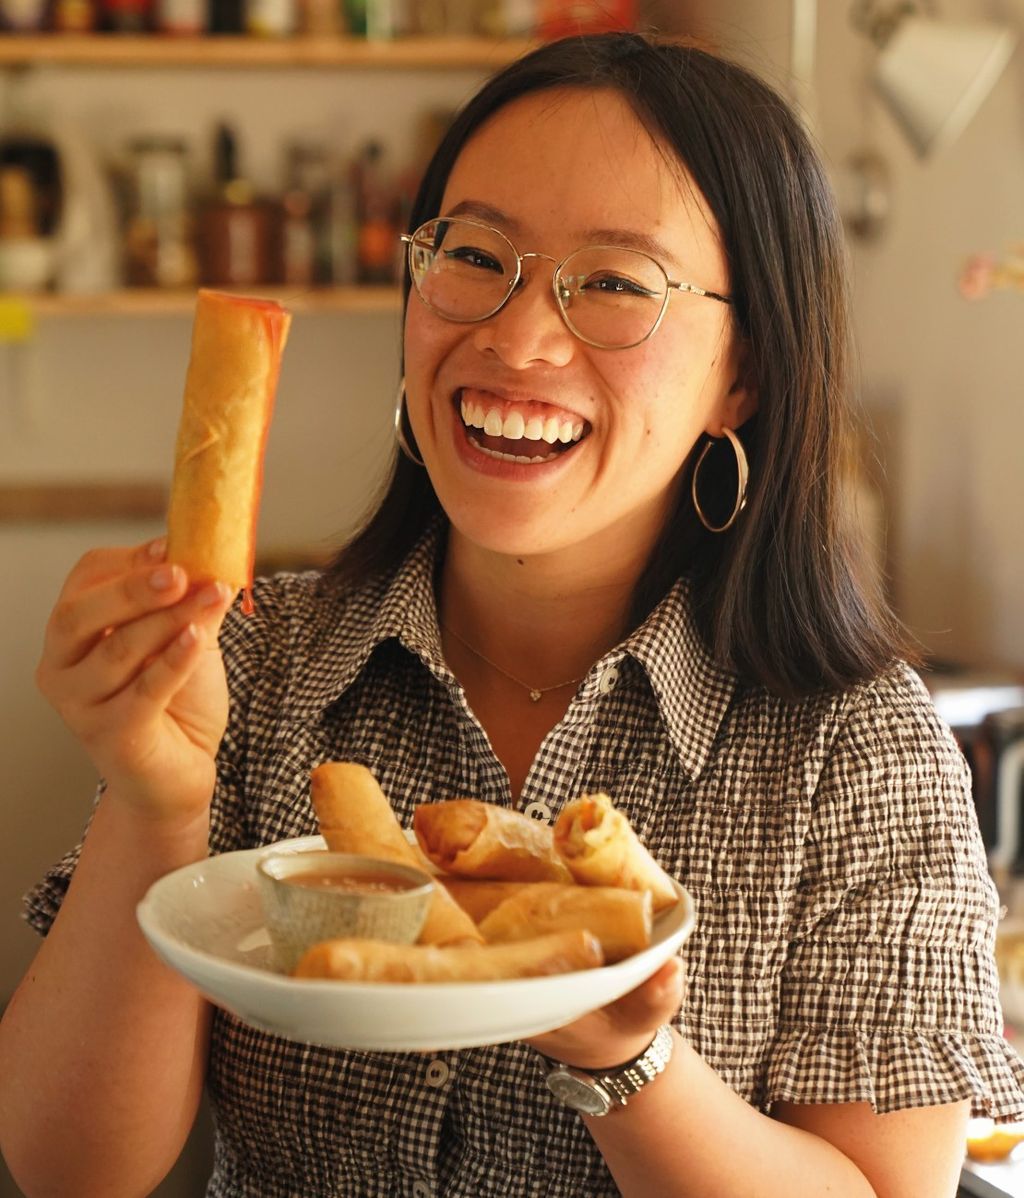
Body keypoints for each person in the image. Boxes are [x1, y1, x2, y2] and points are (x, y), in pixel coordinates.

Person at [1, 31, 1021, 1198]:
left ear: (745, 372)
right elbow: (69, 1170)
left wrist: (628, 1056)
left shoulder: (858, 747)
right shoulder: (250, 665)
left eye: (616, 283)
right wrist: (156, 797)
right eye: (475, 255)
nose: (517, 338)